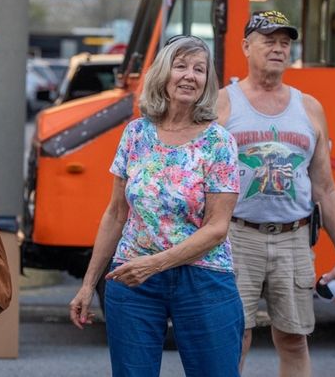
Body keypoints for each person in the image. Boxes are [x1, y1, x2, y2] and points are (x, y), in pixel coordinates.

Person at [69, 35, 244, 377]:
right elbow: (116, 213)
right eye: (180, 66)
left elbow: (217, 228)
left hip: (203, 277)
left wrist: (154, 264)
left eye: (199, 69)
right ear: (163, 75)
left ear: (208, 81)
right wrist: (89, 284)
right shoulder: (136, 134)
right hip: (133, 279)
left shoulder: (219, 142)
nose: (189, 75)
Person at [216, 10, 335, 377]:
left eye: (285, 42)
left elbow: (325, 187)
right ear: (246, 46)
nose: (278, 49)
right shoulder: (221, 104)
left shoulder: (309, 108)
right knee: (235, 337)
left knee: (294, 339)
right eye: (269, 41)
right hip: (236, 236)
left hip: (294, 239)